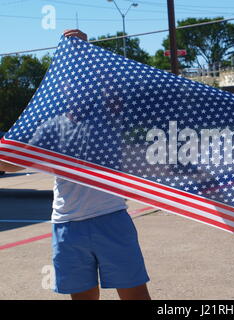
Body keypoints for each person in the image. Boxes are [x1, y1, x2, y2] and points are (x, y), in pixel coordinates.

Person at [0, 29, 151, 300]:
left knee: (135, 295)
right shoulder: (50, 127)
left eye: (80, 80)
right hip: (68, 225)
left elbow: (116, 87)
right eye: (68, 82)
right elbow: (13, 164)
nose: (74, 87)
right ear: (60, 89)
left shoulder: (108, 114)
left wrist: (81, 50)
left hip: (110, 216)